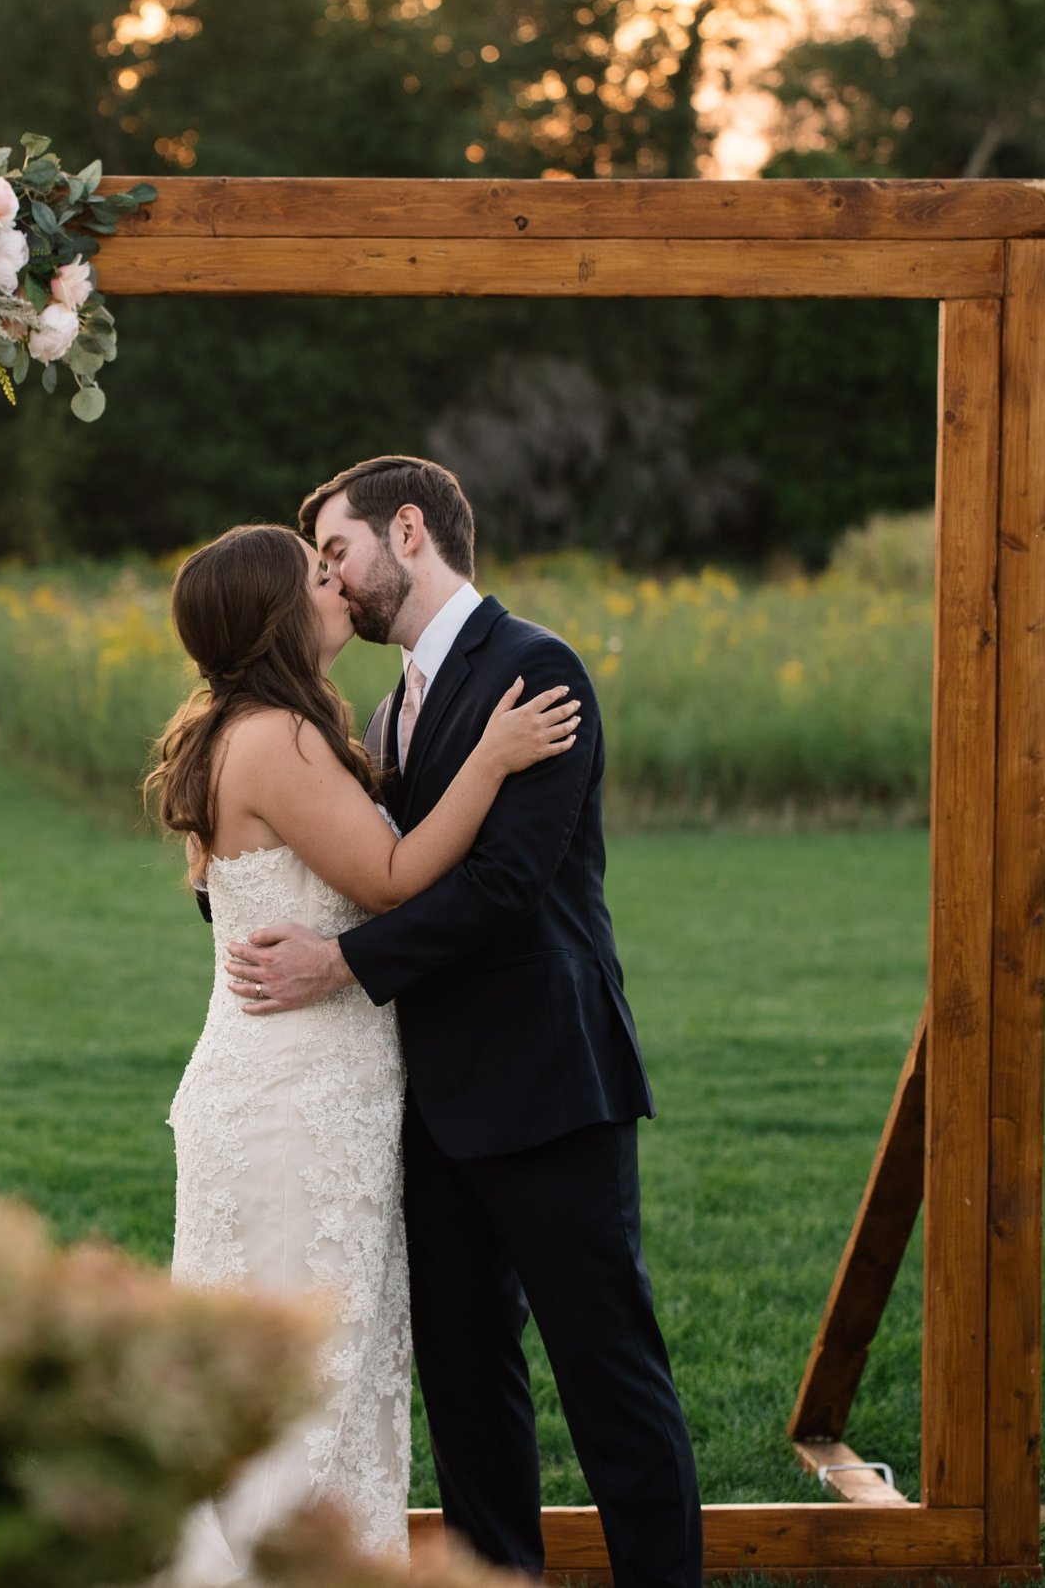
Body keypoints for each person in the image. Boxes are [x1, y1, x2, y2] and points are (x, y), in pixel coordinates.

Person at [222, 455, 704, 1588]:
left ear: (408, 529)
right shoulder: (391, 709)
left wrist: (340, 962)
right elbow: (369, 862)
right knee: (467, 1390)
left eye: (335, 554)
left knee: (609, 1376)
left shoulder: (536, 668)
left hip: (548, 1087)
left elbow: (504, 886)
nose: (331, 585)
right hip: (431, 1105)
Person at [144, 521, 581, 1584]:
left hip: (278, 1088)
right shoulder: (276, 739)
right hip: (296, 1104)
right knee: (309, 1381)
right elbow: (390, 879)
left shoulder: (238, 730)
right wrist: (489, 759)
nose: (335, 580)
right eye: (314, 575)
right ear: (274, 615)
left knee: (295, 1378)